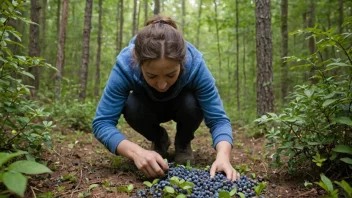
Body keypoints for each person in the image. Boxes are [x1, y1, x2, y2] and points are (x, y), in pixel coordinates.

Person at [92, 15, 239, 181]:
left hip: (183, 106)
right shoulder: (126, 64)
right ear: (138, 64)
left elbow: (218, 120)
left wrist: (223, 157)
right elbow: (102, 122)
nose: (162, 84)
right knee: (130, 104)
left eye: (170, 74)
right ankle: (159, 139)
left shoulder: (195, 65)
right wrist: (136, 152)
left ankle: (183, 143)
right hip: (145, 108)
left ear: (183, 63)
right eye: (151, 75)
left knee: (192, 102)